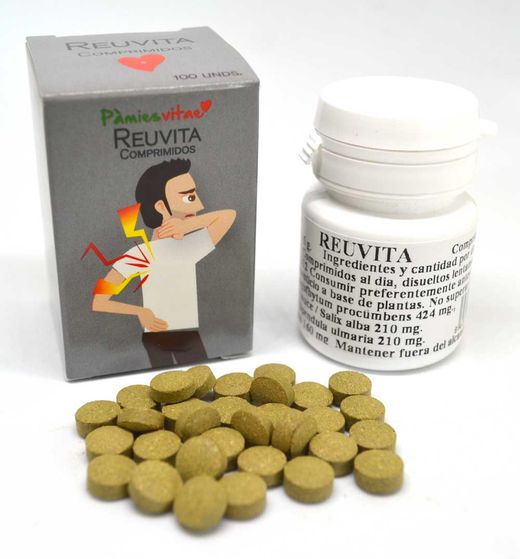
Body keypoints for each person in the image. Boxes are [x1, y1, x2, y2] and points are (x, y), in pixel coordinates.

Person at [92, 158, 236, 367]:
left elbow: (228, 216)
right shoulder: (139, 255)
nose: (199, 205)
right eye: (189, 197)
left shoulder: (191, 246)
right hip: (155, 337)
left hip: (190, 335)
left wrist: (187, 226)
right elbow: (99, 301)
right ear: (160, 206)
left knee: (197, 381)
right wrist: (140, 312)